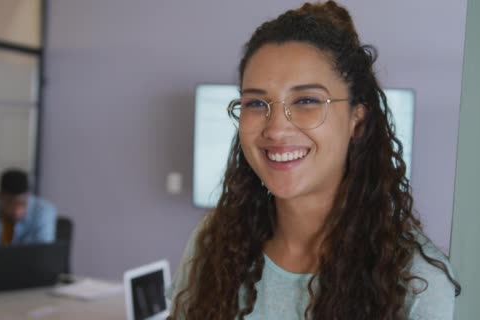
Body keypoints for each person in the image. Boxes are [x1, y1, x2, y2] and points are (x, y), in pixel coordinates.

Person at [169, 1, 461, 319]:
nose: (277, 128)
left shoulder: (418, 283)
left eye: (307, 100)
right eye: (255, 103)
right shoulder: (214, 243)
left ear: (357, 121)